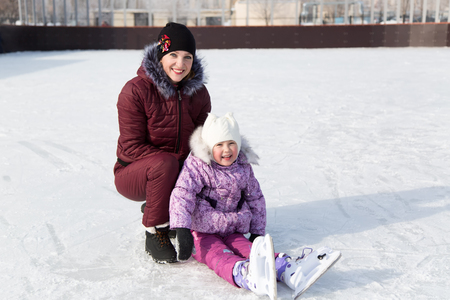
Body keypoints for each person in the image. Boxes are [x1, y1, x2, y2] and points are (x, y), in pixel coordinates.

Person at [169, 113, 341, 299]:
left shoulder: (242, 166)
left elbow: (255, 198)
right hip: (202, 231)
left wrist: (257, 232)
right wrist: (182, 229)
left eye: (231, 143)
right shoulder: (198, 166)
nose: (227, 150)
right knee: (218, 254)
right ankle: (244, 273)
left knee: (252, 250)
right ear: (209, 147)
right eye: (219, 145)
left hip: (232, 228)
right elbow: (182, 194)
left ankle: (289, 270)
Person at [114, 22, 211, 264]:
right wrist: (177, 165)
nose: (180, 64)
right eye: (173, 55)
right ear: (161, 55)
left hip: (175, 169)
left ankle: (166, 208)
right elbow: (132, 147)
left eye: (187, 57)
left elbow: (202, 140)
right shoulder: (134, 91)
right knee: (166, 164)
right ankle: (155, 230)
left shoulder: (199, 93)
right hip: (132, 173)